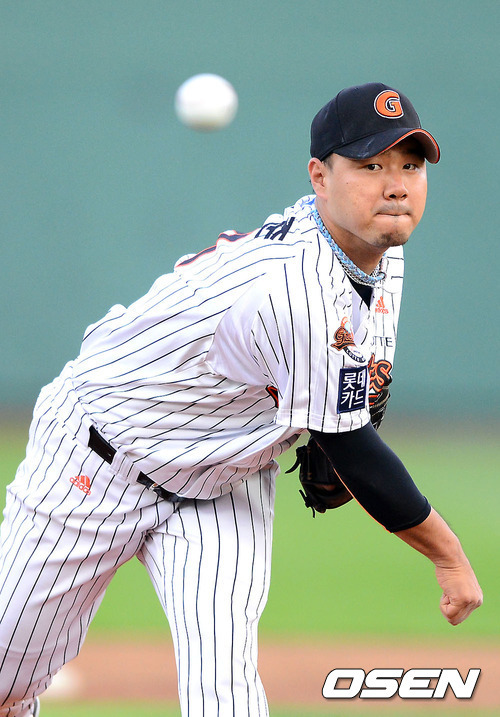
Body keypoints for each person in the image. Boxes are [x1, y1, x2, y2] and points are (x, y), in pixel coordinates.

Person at [0, 82, 482, 717]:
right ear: (320, 177)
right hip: (98, 458)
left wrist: (336, 411)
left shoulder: (376, 244)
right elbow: (350, 445)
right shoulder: (295, 283)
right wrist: (449, 557)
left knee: (226, 697)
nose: (396, 187)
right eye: (371, 166)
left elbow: (361, 377)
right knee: (5, 680)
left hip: (226, 476)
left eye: (410, 166)